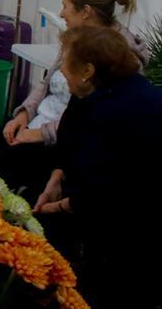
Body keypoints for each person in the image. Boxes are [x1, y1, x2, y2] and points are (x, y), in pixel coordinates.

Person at [0, 0, 148, 199]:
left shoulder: (115, 55)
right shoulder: (76, 37)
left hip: (57, 142)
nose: (61, 13)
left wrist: (39, 134)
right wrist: (23, 115)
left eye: (65, 6)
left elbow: (89, 121)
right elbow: (46, 81)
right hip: (33, 125)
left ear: (86, 11)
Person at [32, 25, 162, 308]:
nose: (61, 71)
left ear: (88, 70)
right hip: (101, 197)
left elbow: (105, 189)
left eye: (66, 63)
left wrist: (60, 205)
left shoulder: (116, 112)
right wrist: (57, 176)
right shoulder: (94, 93)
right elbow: (69, 143)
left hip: (135, 225)